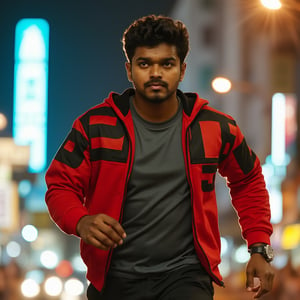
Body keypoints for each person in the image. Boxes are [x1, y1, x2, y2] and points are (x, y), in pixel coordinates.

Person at [45, 14, 274, 300]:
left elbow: (248, 180)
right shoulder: (95, 127)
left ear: (182, 69)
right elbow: (60, 185)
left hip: (186, 275)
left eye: (166, 64)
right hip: (115, 278)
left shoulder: (215, 127)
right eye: (144, 64)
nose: (156, 73)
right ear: (129, 70)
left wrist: (259, 247)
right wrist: (81, 221)